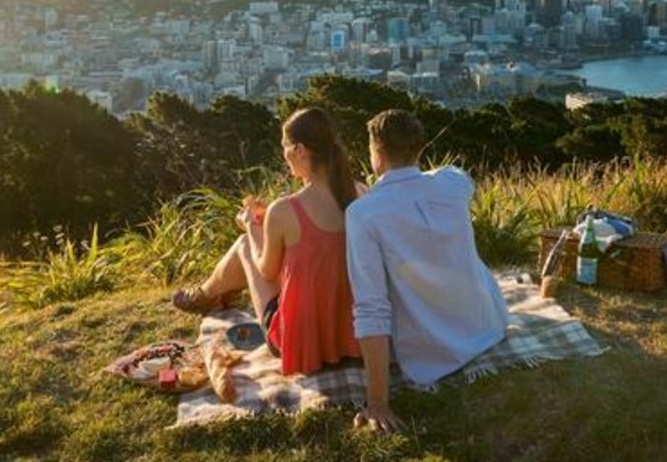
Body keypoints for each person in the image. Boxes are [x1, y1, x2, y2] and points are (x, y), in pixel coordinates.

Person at [345, 109, 509, 434]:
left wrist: (377, 401)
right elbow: (463, 179)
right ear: (419, 149)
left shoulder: (362, 214)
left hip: (431, 357)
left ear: (376, 153)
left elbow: (371, 306)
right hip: (489, 324)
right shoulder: (451, 182)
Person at [173, 107, 361, 375]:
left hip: (298, 340)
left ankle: (203, 296)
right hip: (349, 334)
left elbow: (266, 271)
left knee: (244, 245)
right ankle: (207, 295)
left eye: (284, 147)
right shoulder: (360, 194)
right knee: (260, 244)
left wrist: (251, 226)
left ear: (299, 150)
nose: (283, 155)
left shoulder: (285, 211)